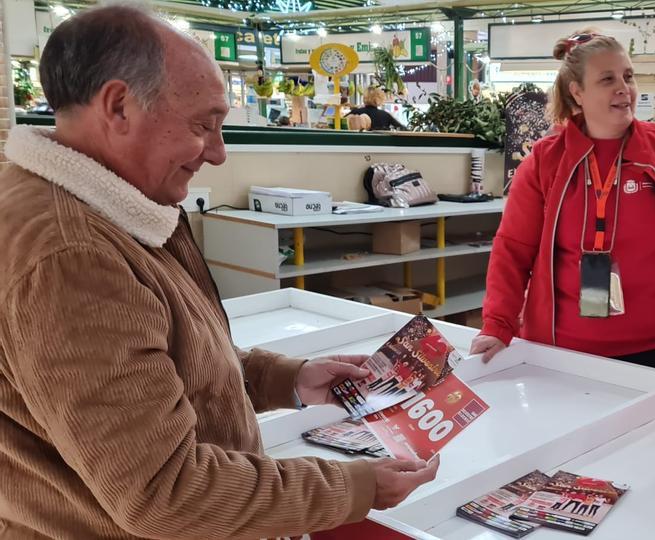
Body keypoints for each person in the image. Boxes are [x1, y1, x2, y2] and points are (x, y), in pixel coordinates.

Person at [0, 5, 438, 538]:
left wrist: (286, 378)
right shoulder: (72, 257)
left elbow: (164, 365)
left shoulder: (104, 208)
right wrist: (356, 487)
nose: (219, 153)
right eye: (203, 125)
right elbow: (163, 492)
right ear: (118, 106)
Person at [470, 30, 655, 376]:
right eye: (607, 79)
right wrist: (497, 325)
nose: (624, 88)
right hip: (562, 349)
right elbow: (512, 250)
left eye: (628, 76)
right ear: (577, 92)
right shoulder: (545, 161)